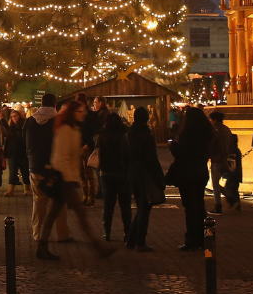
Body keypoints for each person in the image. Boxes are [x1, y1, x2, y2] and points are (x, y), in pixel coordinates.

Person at [36, 101, 113, 261]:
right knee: (80, 213)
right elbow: (62, 157)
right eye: (80, 111)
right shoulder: (66, 129)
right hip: (64, 179)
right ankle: (98, 247)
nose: (83, 114)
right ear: (73, 112)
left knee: (54, 213)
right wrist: (70, 178)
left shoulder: (72, 128)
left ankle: (42, 246)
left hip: (66, 178)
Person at [26, 92, 70, 244]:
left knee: (39, 201)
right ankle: (62, 234)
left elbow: (27, 144)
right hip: (56, 167)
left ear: (41, 104)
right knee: (59, 201)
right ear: (55, 105)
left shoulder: (31, 121)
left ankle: (38, 233)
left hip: (36, 166)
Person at [170, 107, 214, 251]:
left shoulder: (188, 133)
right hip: (201, 171)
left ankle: (192, 240)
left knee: (190, 207)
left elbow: (180, 152)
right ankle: (205, 238)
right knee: (199, 205)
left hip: (188, 172)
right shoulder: (207, 133)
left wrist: (173, 147)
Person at [124, 106, 162, 251]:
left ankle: (131, 240)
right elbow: (152, 159)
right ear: (146, 119)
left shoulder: (128, 135)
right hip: (145, 174)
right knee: (144, 208)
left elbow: (124, 158)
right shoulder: (147, 136)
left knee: (141, 208)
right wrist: (158, 177)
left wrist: (127, 174)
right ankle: (140, 242)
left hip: (132, 174)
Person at [96, 113, 131, 241]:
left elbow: (98, 151)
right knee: (125, 205)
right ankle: (127, 232)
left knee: (108, 205)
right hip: (123, 173)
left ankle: (107, 232)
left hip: (106, 173)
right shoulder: (125, 134)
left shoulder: (102, 135)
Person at [208, 111, 233, 215]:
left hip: (216, 158)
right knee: (217, 183)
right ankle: (232, 198)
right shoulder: (226, 129)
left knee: (215, 184)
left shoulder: (213, 130)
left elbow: (212, 144)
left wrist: (208, 155)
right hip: (225, 158)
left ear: (214, 120)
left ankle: (218, 205)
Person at [4, 109, 29, 197]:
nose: (14, 118)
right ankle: (11, 190)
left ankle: (27, 189)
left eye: (16, 116)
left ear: (19, 116)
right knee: (12, 172)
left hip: (22, 152)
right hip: (12, 153)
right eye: (12, 117)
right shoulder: (10, 127)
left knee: (25, 171)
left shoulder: (23, 126)